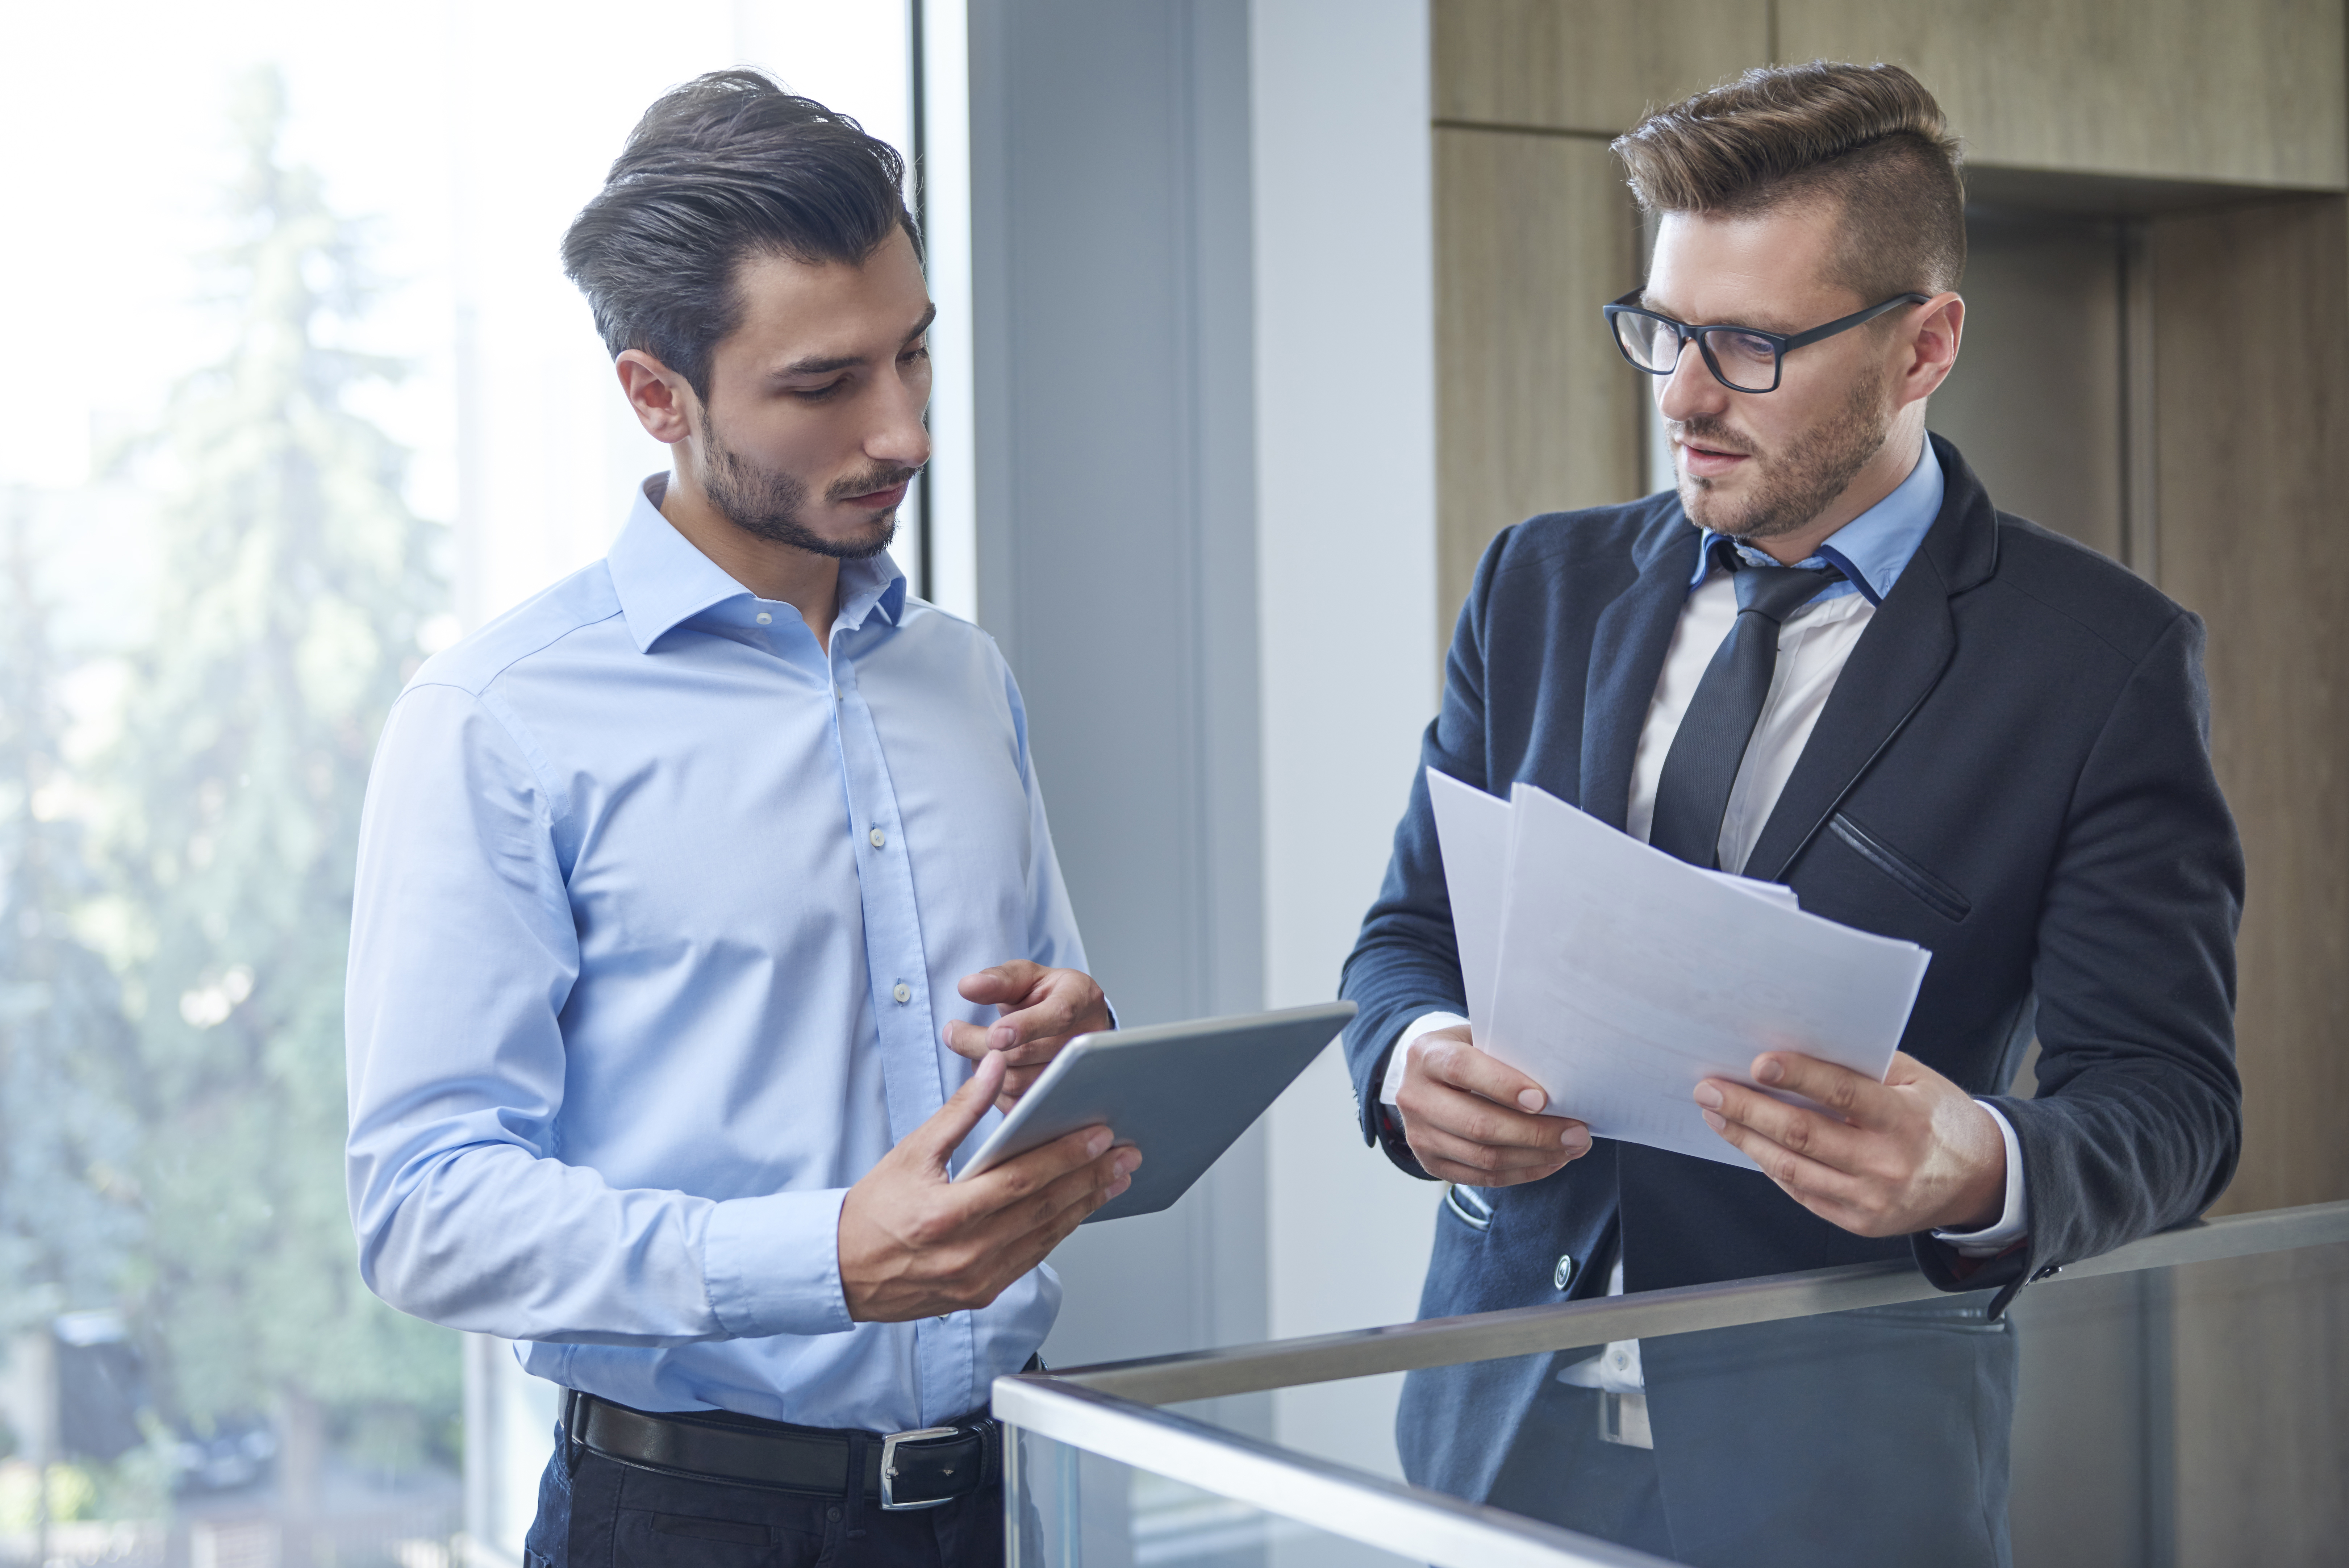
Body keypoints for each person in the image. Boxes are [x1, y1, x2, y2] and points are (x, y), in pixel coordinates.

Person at [1338, 62, 2241, 1568]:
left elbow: (2170, 1099)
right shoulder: (1537, 585)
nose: (1683, 395)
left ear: (1924, 343)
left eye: (1749, 344)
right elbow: (1409, 934)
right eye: (1664, 331)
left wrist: (1979, 1166)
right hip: (1487, 1450)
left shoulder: (2100, 661)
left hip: (1842, 1484)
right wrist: (1414, 1061)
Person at [344, 72, 1135, 1568]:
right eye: (826, 385)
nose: (901, 430)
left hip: (1000, 1499)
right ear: (661, 395)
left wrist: (1062, 1046)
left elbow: (1045, 1024)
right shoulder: (500, 718)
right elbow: (425, 1206)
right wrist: (816, 1255)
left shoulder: (962, 676)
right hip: (684, 1518)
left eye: (912, 355)